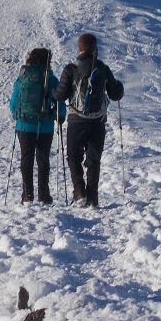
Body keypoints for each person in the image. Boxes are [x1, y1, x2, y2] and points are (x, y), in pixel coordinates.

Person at [53, 33, 124, 208]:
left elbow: (60, 95)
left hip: (76, 120)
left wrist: (54, 92)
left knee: (74, 158)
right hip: (97, 122)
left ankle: (79, 192)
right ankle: (93, 198)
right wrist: (119, 87)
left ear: (79, 48)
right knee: (94, 160)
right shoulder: (102, 68)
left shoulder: (71, 69)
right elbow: (115, 94)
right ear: (95, 48)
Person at [10, 48, 66, 204]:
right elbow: (59, 99)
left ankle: (27, 194)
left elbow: (14, 102)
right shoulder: (51, 78)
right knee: (43, 159)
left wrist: (17, 115)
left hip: (24, 126)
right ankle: (44, 195)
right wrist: (60, 115)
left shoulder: (23, 76)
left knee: (26, 159)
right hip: (45, 126)